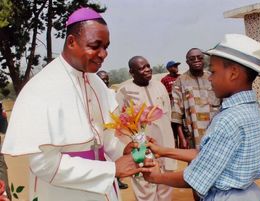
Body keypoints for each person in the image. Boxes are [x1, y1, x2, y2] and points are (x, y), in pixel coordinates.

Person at [1, 8, 152, 201]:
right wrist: (111, 169)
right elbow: (44, 165)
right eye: (95, 46)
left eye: (106, 46)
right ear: (71, 42)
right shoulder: (41, 88)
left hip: (105, 189)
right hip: (61, 193)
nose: (103, 54)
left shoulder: (96, 82)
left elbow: (104, 138)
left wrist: (123, 151)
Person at [143, 34, 260, 201]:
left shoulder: (229, 120)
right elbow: (207, 155)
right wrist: (164, 151)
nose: (209, 77)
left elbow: (194, 178)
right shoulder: (251, 110)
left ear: (233, 73)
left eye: (214, 71)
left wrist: (155, 178)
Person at [116, 56, 177, 201]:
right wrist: (131, 146)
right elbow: (120, 123)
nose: (147, 70)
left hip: (165, 143)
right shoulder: (124, 91)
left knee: (165, 181)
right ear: (132, 72)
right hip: (142, 146)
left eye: (148, 66)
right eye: (141, 68)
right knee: (145, 184)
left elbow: (167, 112)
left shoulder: (160, 86)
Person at [171, 48, 220, 149]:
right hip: (193, 134)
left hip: (215, 130)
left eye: (199, 58)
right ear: (187, 62)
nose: (196, 60)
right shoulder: (180, 81)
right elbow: (176, 113)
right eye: (192, 59)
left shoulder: (213, 77)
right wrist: (182, 138)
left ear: (204, 60)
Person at [96, 70, 129, 190]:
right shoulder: (92, 94)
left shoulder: (112, 93)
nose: (104, 81)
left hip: (112, 130)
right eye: (101, 79)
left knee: (115, 154)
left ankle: (117, 179)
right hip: (99, 131)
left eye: (106, 79)